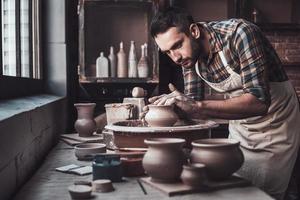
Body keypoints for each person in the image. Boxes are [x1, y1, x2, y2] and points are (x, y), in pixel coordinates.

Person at [148, 7, 300, 200]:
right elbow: (193, 108)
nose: (175, 57)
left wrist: (196, 107)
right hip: (241, 126)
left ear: (194, 31)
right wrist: (176, 109)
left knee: (263, 194)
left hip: (276, 122)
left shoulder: (240, 34)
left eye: (177, 45)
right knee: (235, 190)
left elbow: (259, 101)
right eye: (167, 52)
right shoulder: (188, 58)